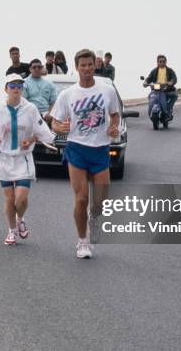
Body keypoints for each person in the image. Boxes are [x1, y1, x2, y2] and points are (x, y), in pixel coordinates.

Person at [50, 49, 120, 259]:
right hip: (77, 149)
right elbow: (54, 121)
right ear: (77, 67)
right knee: (81, 199)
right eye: (83, 65)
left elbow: (115, 115)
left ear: (94, 65)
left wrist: (113, 127)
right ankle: (82, 242)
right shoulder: (67, 94)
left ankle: (95, 217)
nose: (87, 69)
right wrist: (58, 127)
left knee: (100, 203)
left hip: (100, 149)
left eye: (90, 64)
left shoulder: (107, 90)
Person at [0, 74, 55, 245]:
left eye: (19, 85)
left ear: (23, 88)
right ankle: (11, 231)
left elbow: (42, 133)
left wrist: (31, 140)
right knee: (10, 200)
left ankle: (21, 219)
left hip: (22, 159)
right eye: (12, 85)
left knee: (21, 199)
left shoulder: (30, 109)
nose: (16, 88)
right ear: (6, 89)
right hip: (3, 159)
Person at [23, 59, 58, 123]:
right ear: (30, 69)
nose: (37, 69)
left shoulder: (49, 84)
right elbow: (23, 102)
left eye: (39, 67)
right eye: (34, 67)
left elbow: (54, 102)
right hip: (30, 115)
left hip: (46, 116)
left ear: (42, 68)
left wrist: (50, 114)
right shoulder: (24, 83)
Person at [144, 55, 178, 120]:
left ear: (166, 62)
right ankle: (152, 109)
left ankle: (168, 109)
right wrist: (145, 82)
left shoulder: (170, 70)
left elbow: (174, 78)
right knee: (150, 96)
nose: (162, 63)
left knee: (175, 95)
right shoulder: (154, 70)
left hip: (166, 89)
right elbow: (149, 78)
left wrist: (171, 82)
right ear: (157, 62)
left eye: (163, 61)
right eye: (160, 61)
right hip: (156, 89)